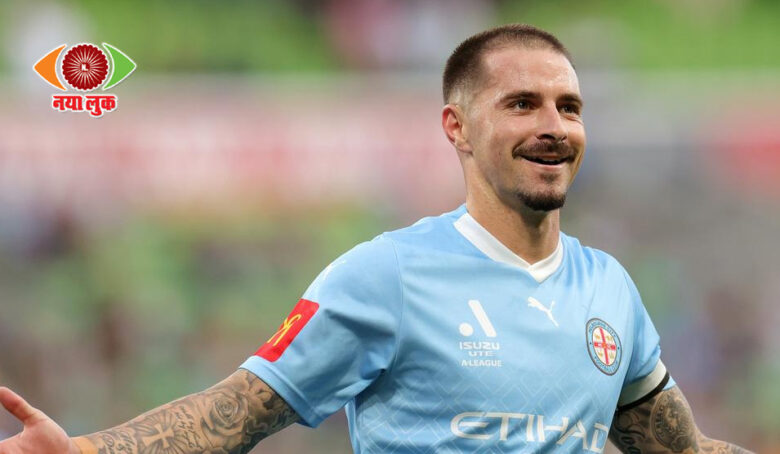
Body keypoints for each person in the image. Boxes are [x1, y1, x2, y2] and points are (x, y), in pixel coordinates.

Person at [0, 24, 752, 454]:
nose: (553, 126)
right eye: (522, 104)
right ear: (457, 127)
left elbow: (681, 450)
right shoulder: (386, 275)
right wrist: (87, 451)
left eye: (569, 106)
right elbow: (233, 413)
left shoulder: (608, 287)